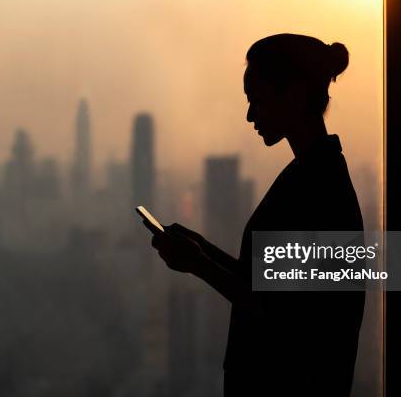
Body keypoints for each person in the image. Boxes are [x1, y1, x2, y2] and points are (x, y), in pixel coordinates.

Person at [147, 33, 365, 396]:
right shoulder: (313, 176)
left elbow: (283, 313)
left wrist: (199, 264)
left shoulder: (316, 187)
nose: (250, 115)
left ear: (293, 95)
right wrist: (202, 251)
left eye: (257, 101)